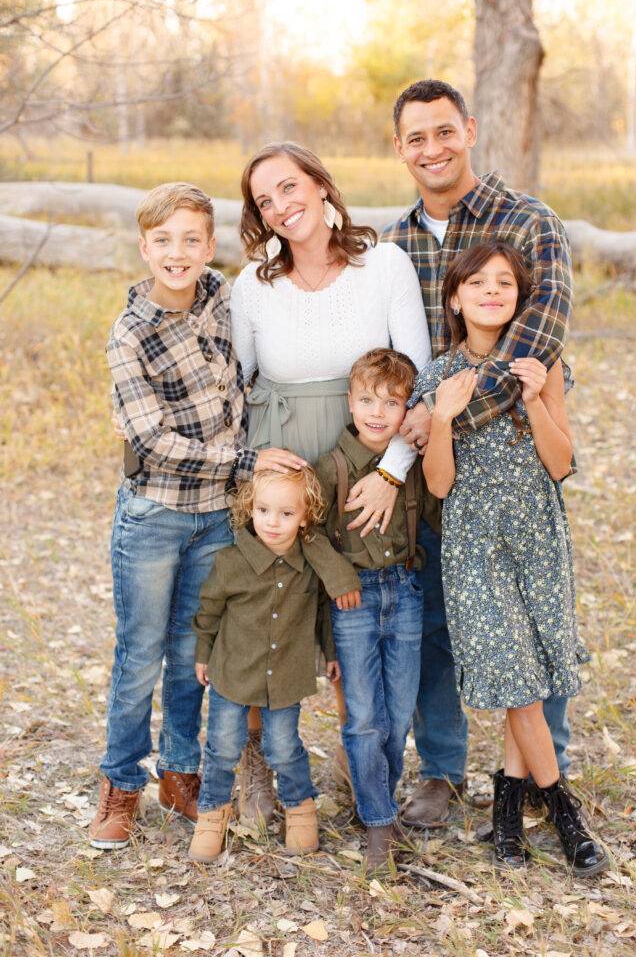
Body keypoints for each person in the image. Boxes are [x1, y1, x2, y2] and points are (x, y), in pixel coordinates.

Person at [371, 79, 575, 827]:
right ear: (399, 148)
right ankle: (443, 771)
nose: (431, 148)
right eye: (415, 137)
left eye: (443, 131)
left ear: (470, 130)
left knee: (529, 610)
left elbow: (540, 332)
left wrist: (446, 410)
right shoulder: (393, 244)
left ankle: (542, 773)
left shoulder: (527, 222)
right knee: (436, 619)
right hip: (438, 459)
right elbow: (388, 352)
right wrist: (419, 428)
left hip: (513, 446)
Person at [90, 183, 305, 850]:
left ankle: (178, 775)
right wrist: (245, 462)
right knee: (140, 658)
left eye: (191, 239)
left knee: (191, 657)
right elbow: (153, 442)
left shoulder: (220, 297)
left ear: (209, 246)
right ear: (144, 247)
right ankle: (119, 786)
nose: (177, 253)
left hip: (215, 519)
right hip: (155, 517)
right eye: (163, 240)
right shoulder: (130, 335)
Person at [230, 142, 432, 821]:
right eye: (265, 200)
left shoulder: (384, 266)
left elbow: (418, 381)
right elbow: (235, 388)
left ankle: (360, 761)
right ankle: (255, 765)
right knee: (269, 615)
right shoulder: (252, 283)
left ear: (320, 185)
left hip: (366, 468)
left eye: (290, 187)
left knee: (356, 610)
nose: (282, 206)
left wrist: (389, 475)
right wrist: (248, 463)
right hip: (280, 460)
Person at [414, 241, 608, 876]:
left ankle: (505, 814)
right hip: (474, 540)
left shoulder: (541, 364)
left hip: (536, 533)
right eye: (479, 283)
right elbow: (438, 486)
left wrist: (532, 398)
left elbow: (562, 463)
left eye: (505, 283)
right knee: (514, 674)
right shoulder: (440, 377)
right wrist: (441, 418)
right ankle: (561, 807)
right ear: (455, 298)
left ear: (520, 298)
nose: (492, 292)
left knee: (532, 670)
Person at [188, 466, 361, 863]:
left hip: (285, 676)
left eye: (286, 513)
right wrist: (202, 653)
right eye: (264, 510)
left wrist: (330, 652)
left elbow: (322, 611)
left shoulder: (308, 565)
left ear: (305, 518)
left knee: (283, 747)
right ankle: (212, 815)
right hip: (233, 672)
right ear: (250, 509)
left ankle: (300, 809)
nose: (272, 522)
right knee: (222, 747)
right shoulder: (232, 562)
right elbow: (209, 610)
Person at [314, 348, 440, 872]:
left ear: (407, 409)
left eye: (391, 403)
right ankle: (379, 826)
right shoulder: (331, 466)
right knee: (364, 719)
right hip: (353, 603)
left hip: (405, 595)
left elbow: (438, 505)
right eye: (366, 399)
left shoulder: (405, 465)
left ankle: (377, 801)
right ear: (349, 401)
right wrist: (340, 577)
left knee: (397, 715)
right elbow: (308, 534)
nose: (376, 412)